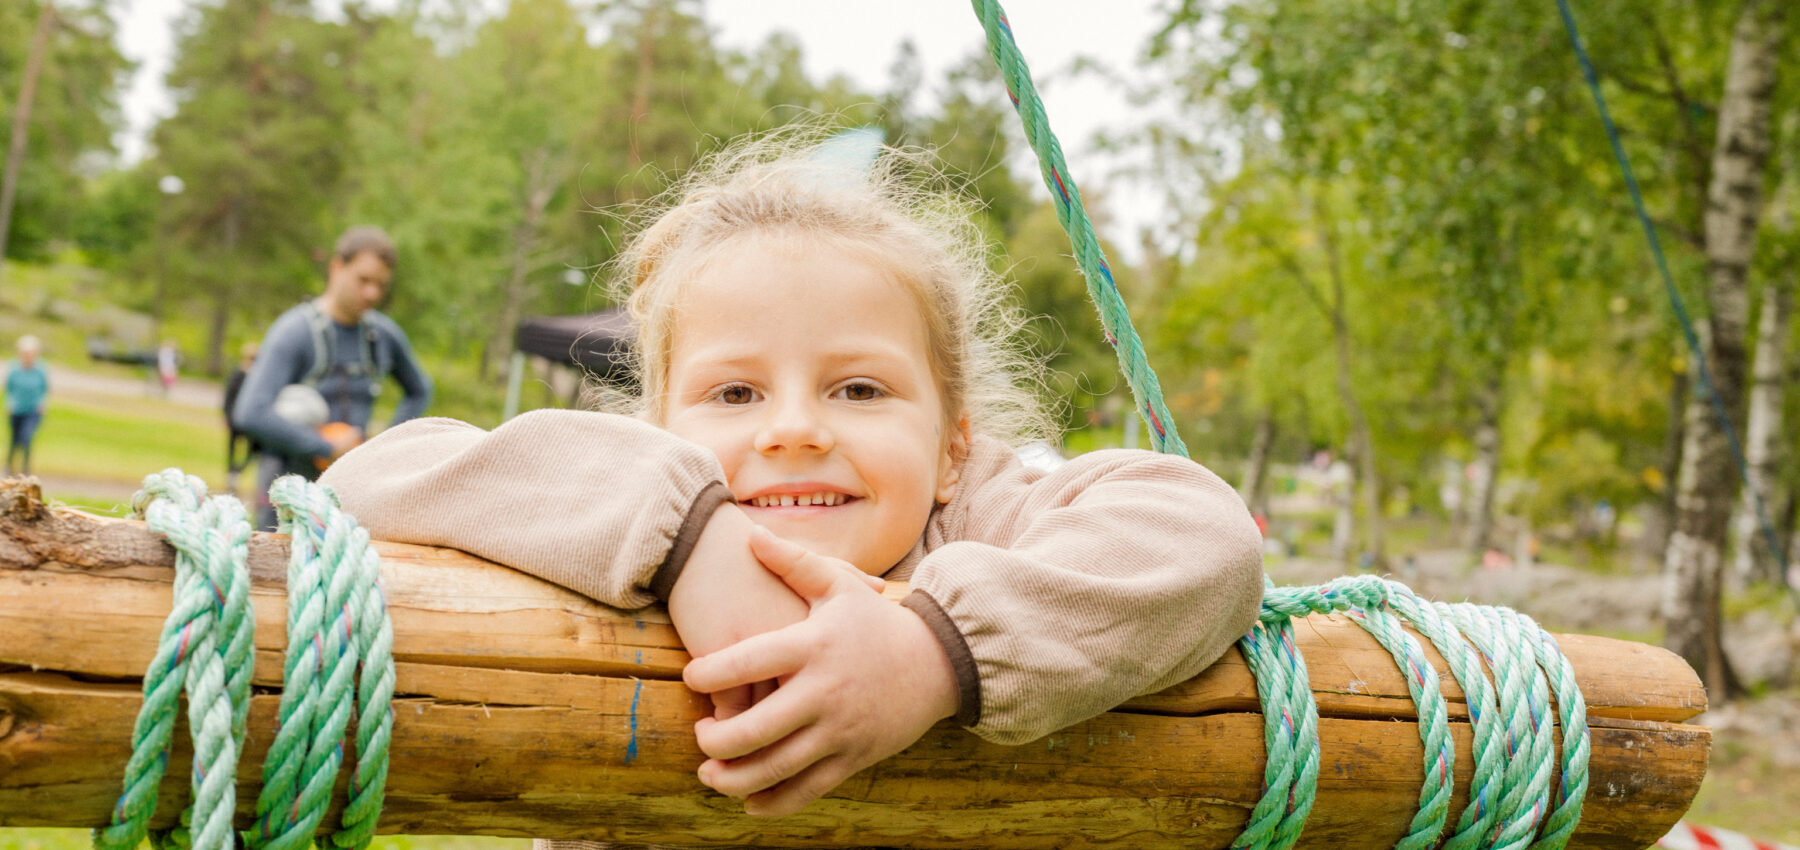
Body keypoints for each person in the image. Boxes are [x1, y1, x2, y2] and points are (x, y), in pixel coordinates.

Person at [319, 131, 1264, 833]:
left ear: (949, 448)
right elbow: (372, 471)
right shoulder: (608, 505)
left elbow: (1201, 528)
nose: (796, 428)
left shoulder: (982, 519)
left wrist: (934, 652)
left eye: (859, 388)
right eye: (735, 391)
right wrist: (689, 537)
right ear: (657, 433)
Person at [234, 226, 432, 529]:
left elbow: (419, 390)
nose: (372, 293)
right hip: (288, 496)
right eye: (363, 280)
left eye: (381, 285)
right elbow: (251, 412)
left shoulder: (383, 336)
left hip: (350, 495)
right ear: (337, 268)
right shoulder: (295, 331)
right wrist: (325, 447)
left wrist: (383, 447)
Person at [4, 335, 50, 477]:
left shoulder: (41, 369)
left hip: (33, 410)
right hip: (16, 409)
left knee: (27, 437)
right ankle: (9, 466)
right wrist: (9, 402)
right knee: (14, 439)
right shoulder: (14, 368)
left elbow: (44, 388)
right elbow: (9, 387)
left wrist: (43, 403)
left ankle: (25, 469)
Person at [223, 342, 260, 494]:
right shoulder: (242, 374)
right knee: (239, 449)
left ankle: (234, 472)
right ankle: (233, 473)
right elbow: (230, 397)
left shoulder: (252, 375)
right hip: (238, 419)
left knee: (247, 450)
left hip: (241, 419)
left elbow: (227, 397)